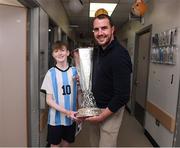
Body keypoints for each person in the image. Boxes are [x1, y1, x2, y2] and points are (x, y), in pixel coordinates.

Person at [84, 12, 132, 147]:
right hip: (95, 107)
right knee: (94, 143)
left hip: (110, 110)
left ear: (112, 29)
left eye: (104, 28)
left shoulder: (120, 55)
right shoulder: (98, 50)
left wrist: (102, 116)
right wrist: (84, 80)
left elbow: (122, 95)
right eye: (96, 29)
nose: (100, 33)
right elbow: (100, 75)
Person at [41, 41, 79, 147]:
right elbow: (48, 100)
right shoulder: (50, 73)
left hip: (71, 118)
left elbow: (79, 94)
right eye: (56, 51)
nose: (59, 53)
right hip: (55, 119)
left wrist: (80, 111)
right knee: (55, 145)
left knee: (66, 144)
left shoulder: (75, 71)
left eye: (62, 50)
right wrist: (67, 111)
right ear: (53, 54)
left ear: (67, 53)